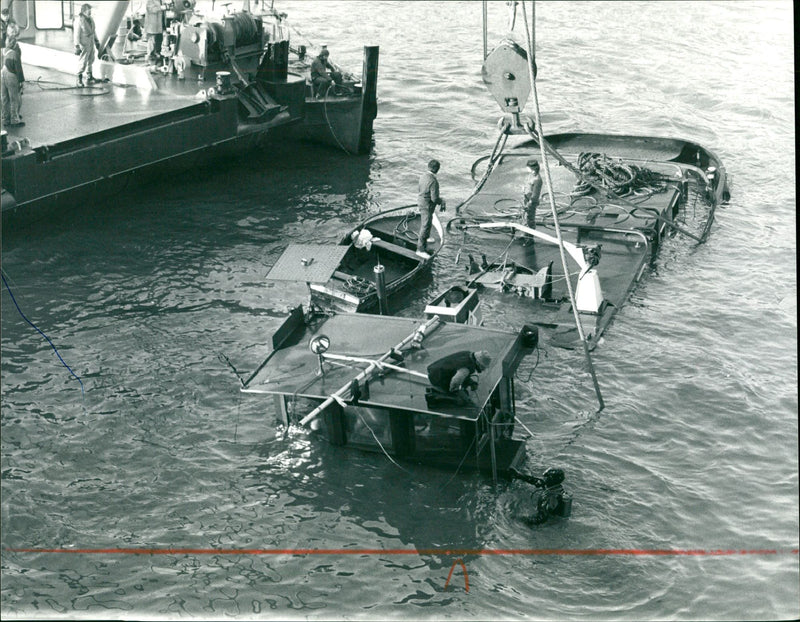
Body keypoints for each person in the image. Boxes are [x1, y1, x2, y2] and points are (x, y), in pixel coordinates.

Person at [427, 350, 491, 396]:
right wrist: (455, 392)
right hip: (437, 377)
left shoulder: (467, 354)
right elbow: (456, 380)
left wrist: (470, 382)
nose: (483, 369)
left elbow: (461, 372)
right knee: (462, 399)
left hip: (436, 370)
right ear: (478, 363)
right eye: (483, 367)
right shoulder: (467, 368)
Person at [417, 159, 446, 254]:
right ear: (437, 169)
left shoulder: (423, 176)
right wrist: (441, 201)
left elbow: (420, 189)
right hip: (427, 206)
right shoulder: (433, 181)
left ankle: (426, 240)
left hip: (421, 202)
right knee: (425, 226)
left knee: (427, 224)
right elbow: (434, 198)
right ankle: (420, 249)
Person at [1, 31, 24, 127]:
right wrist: (21, 81)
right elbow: (18, 69)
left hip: (2, 74)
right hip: (11, 76)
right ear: (14, 44)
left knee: (4, 98)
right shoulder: (15, 54)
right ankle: (14, 119)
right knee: (14, 98)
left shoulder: (2, 51)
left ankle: (5, 119)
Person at [73, 3, 99, 87]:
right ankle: (79, 79)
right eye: (89, 10)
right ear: (84, 11)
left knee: (91, 59)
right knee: (83, 61)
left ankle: (89, 76)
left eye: (90, 10)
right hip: (83, 44)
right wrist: (77, 46)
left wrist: (97, 41)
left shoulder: (90, 19)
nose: (90, 11)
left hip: (91, 42)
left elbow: (93, 31)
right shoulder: (79, 20)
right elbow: (76, 34)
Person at [521, 159, 543, 239]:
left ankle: (530, 237)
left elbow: (535, 194)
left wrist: (530, 204)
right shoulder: (531, 175)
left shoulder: (537, 180)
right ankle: (525, 234)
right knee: (524, 217)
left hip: (531, 202)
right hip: (526, 199)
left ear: (532, 169)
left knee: (530, 219)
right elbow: (528, 183)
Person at [145, 0, 165, 69]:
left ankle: (157, 59)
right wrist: (161, 8)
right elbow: (150, 9)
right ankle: (151, 61)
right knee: (152, 43)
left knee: (159, 41)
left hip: (159, 26)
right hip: (152, 26)